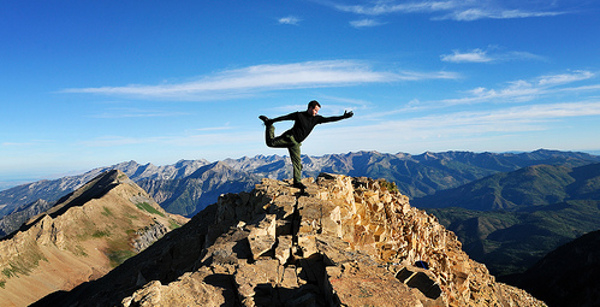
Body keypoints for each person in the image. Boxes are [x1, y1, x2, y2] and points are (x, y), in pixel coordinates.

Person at [259, 100, 353, 189]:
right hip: (289, 137)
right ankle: (269, 126)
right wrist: (272, 121)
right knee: (270, 143)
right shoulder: (299, 115)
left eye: (317, 111)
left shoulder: (316, 119)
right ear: (310, 108)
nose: (316, 112)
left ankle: (297, 182)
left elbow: (330, 119)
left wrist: (343, 117)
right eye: (315, 110)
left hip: (296, 143)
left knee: (297, 163)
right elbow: (285, 117)